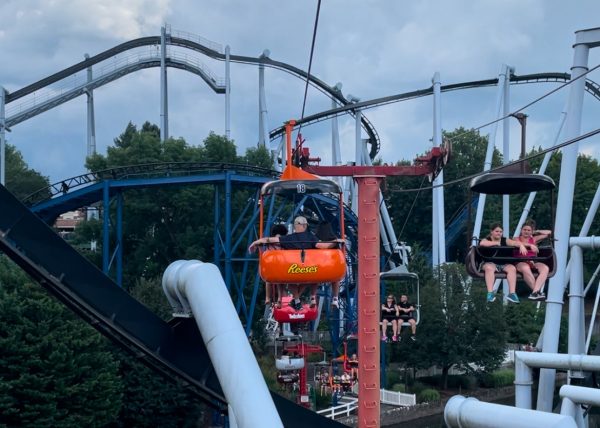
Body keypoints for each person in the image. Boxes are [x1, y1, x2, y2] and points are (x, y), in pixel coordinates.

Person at [249, 216, 344, 309]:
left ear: (295, 226)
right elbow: (323, 246)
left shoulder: (288, 238)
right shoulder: (310, 237)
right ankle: (306, 298)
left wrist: (256, 242)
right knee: (310, 279)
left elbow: (269, 239)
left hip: (292, 269)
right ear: (304, 225)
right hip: (309, 268)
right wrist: (335, 242)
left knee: (290, 280)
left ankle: (294, 298)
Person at [479, 223, 527, 303]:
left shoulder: (505, 240)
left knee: (512, 268)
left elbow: (514, 243)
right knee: (489, 268)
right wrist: (495, 243)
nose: (499, 233)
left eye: (500, 232)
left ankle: (512, 293)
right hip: (490, 263)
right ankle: (490, 293)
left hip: (503, 264)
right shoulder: (487, 239)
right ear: (492, 232)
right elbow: (482, 243)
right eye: (497, 231)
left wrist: (521, 245)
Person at [513, 220, 552, 301]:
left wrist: (536, 231)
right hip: (521, 262)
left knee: (545, 268)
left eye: (528, 230)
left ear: (531, 231)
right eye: (524, 230)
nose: (526, 232)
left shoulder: (534, 239)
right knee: (525, 268)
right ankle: (536, 292)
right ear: (521, 230)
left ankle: (534, 292)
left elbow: (549, 233)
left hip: (532, 261)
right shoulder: (516, 239)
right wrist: (530, 245)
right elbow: (517, 243)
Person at [264, 223, 288, 307]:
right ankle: (279, 298)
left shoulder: (270, 242)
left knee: (269, 280)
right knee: (279, 282)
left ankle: (268, 297)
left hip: (272, 265)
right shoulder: (283, 243)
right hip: (279, 265)